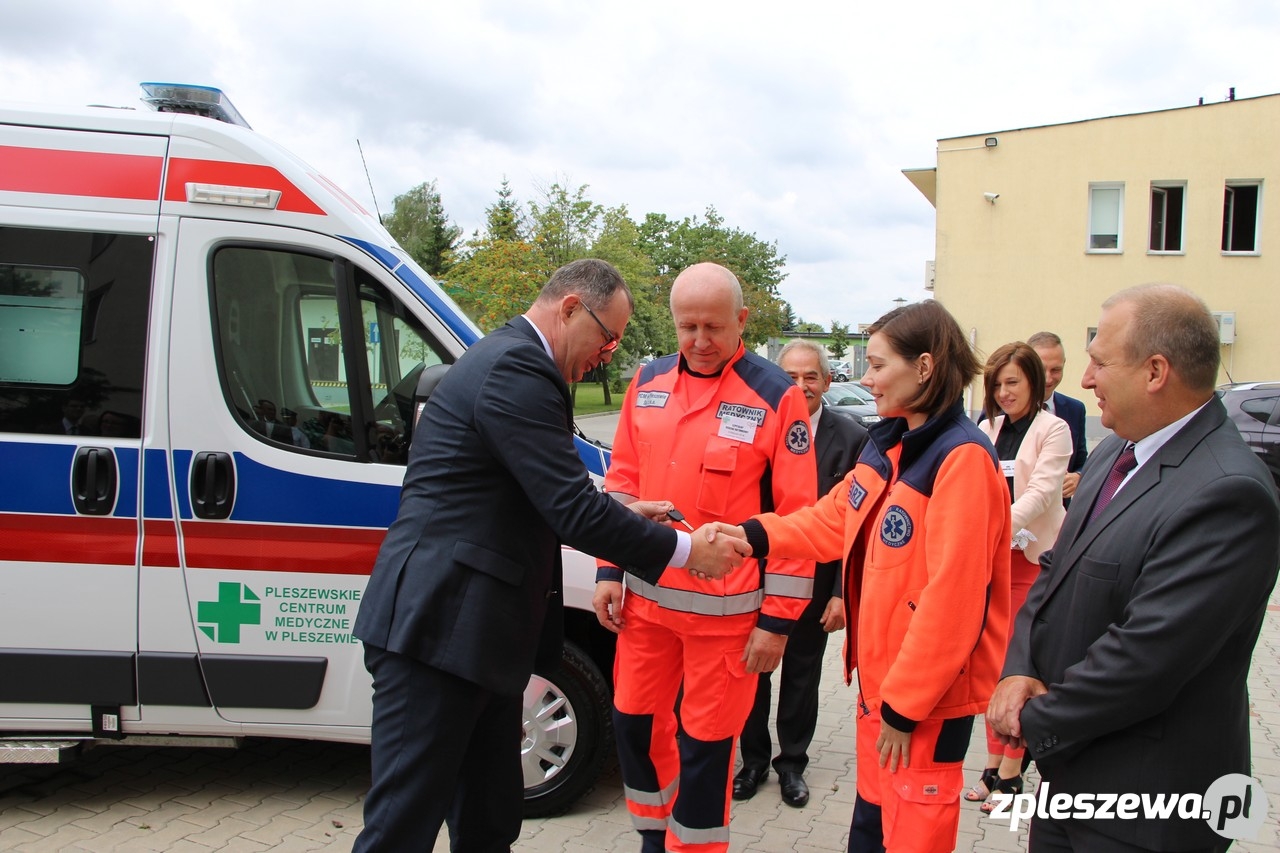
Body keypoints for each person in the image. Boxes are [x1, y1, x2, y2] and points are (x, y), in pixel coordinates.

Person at [351, 259, 751, 853]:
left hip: (478, 640)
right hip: (437, 633)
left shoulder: (517, 362)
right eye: (607, 338)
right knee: (401, 827)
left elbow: (539, 489)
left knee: (490, 820)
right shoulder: (516, 366)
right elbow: (570, 510)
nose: (608, 356)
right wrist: (689, 550)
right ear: (570, 308)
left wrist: (625, 512)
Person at [988, 284, 1280, 852]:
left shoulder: (1228, 492)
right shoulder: (1115, 452)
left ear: (1155, 372)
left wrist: (1031, 720)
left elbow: (1147, 656)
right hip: (1070, 781)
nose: (1085, 380)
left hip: (1148, 805)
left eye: (1100, 362)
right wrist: (1016, 671)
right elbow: (1053, 572)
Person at [721, 299, 1012, 853]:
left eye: (877, 365)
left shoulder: (961, 460)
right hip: (882, 693)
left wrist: (905, 707)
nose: (866, 379)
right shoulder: (891, 445)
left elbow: (953, 602)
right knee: (872, 828)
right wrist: (750, 535)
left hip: (920, 706)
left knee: (914, 836)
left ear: (923, 367)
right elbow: (832, 519)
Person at [591, 262, 817, 853]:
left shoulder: (777, 396)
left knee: (706, 749)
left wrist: (777, 623)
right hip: (646, 607)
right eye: (687, 326)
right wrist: (609, 569)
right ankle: (654, 835)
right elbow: (622, 484)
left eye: (713, 327)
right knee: (634, 727)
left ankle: (694, 847)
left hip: (726, 618)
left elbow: (798, 520)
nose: (699, 340)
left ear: (742, 320)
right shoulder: (648, 382)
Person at [735, 339, 868, 808]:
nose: (800, 385)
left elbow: (856, 527)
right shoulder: (757, 428)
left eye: (810, 376)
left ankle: (791, 764)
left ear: (827, 382)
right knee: (753, 673)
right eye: (790, 376)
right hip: (757, 578)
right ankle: (752, 761)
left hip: (818, 583)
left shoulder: (852, 438)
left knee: (802, 675)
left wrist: (841, 593)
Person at [964, 342, 1071, 811]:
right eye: (997, 385)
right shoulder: (986, 428)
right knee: (991, 665)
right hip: (993, 563)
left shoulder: (1054, 429)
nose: (1004, 393)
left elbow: (1044, 492)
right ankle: (992, 765)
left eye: (1013, 383)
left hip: (1032, 561)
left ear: (1034, 382)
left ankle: (1012, 772)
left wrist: (998, 530)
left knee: (1021, 666)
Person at [1026, 331, 1088, 502]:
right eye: (1041, 369)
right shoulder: (1000, 413)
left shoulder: (1075, 410)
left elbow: (1081, 460)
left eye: (1055, 370)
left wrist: (1078, 476)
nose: (1048, 378)